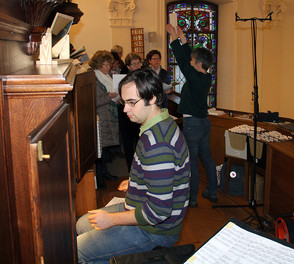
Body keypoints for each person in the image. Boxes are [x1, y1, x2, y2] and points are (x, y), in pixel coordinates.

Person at [76, 68, 191, 263]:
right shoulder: (159, 122)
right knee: (81, 224)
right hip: (142, 210)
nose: (125, 109)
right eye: (124, 102)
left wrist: (111, 220)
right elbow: (163, 173)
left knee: (78, 251)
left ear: (152, 98)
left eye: (131, 103)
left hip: (155, 230)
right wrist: (136, 181)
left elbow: (158, 212)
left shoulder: (158, 145)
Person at [166, 23, 217, 208]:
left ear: (198, 64)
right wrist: (184, 39)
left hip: (193, 125)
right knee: (208, 158)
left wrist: (173, 37)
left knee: (192, 162)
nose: (189, 62)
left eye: (192, 61)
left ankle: (192, 199)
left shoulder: (194, 76)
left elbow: (181, 59)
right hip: (204, 123)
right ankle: (212, 192)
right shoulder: (205, 76)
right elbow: (188, 58)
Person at [89, 50, 120, 190]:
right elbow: (94, 101)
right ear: (99, 65)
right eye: (106, 65)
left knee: (106, 150)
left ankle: (105, 173)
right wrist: (109, 95)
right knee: (100, 151)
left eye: (109, 65)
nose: (109, 68)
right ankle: (99, 179)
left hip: (110, 115)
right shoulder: (93, 78)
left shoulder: (108, 76)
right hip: (101, 118)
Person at [118, 52, 142, 171]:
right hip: (126, 116)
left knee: (140, 144)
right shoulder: (123, 79)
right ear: (128, 66)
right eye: (134, 64)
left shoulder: (143, 77)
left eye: (138, 63)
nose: (137, 66)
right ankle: (130, 169)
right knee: (128, 145)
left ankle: (139, 168)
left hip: (139, 116)